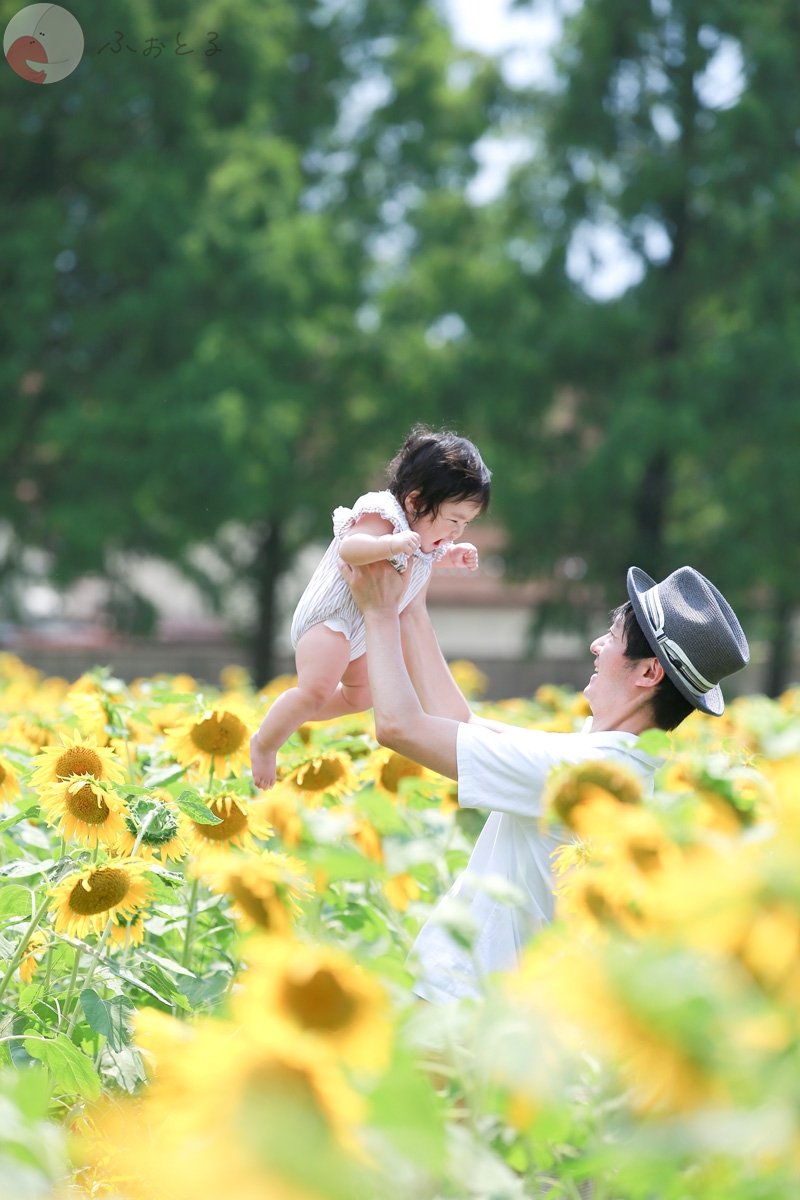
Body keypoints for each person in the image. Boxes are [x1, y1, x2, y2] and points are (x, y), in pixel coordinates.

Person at [341, 559, 750, 1002]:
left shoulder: (581, 774)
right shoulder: (610, 764)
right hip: (483, 1012)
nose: (596, 646)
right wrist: (411, 603)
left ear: (649, 673)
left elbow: (399, 727)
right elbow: (461, 722)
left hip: (463, 1014)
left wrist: (378, 613)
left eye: (612, 637)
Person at [250, 426, 492, 789]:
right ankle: (265, 743)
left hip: (361, 630)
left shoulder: (421, 540)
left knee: (360, 696)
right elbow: (351, 548)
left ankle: (293, 715)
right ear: (414, 502)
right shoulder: (383, 513)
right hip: (329, 620)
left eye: (466, 524)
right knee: (315, 689)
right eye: (454, 520)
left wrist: (451, 557)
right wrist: (391, 543)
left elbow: (425, 560)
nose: (458, 531)